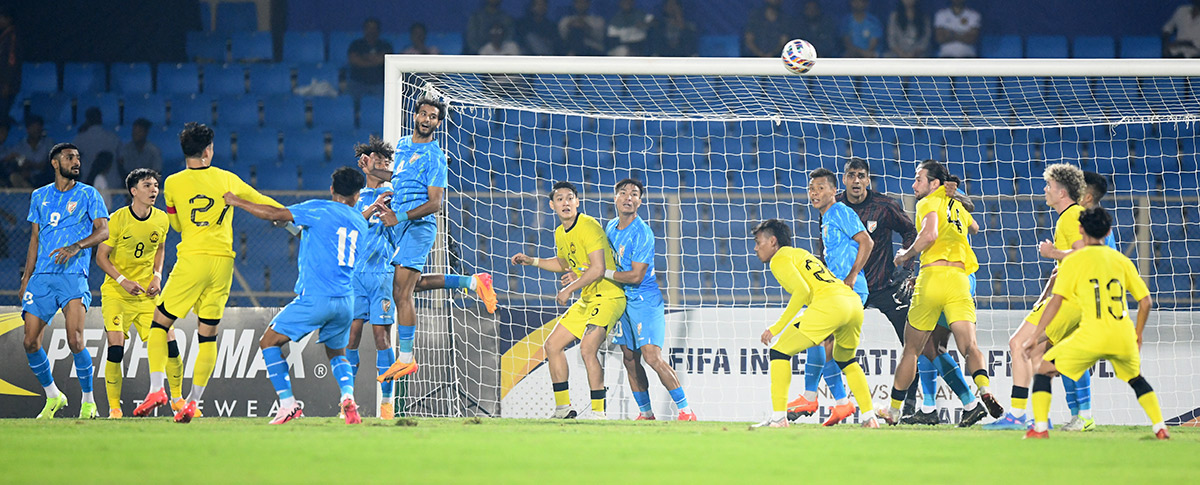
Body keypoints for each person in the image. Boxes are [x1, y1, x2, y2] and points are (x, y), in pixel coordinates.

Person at [133, 123, 283, 422]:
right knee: (208, 336)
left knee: (159, 325)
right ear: (208, 150)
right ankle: (193, 401)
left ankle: (156, 389)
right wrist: (289, 215)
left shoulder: (173, 184)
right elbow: (260, 200)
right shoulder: (226, 178)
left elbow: (175, 226)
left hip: (192, 260)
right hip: (222, 263)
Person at [347, 136, 495, 419]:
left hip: (383, 270)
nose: (383, 165)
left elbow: (414, 185)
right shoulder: (356, 196)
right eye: (377, 162)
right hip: (358, 274)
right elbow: (351, 225)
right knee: (353, 335)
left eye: (386, 162)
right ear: (365, 165)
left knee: (382, 335)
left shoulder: (393, 192)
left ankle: (387, 404)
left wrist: (437, 163)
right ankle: (348, 401)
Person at [223, 167, 369, 425]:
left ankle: (288, 404)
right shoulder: (360, 221)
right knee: (337, 353)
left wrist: (237, 201)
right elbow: (321, 238)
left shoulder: (319, 209)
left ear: (332, 189)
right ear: (358, 195)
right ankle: (348, 396)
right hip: (346, 301)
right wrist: (291, 227)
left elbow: (273, 213)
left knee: (268, 342)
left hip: (316, 298)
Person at [835, 158, 978, 420]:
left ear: (868, 180)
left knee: (924, 348)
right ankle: (833, 401)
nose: (856, 180)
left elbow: (912, 232)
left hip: (885, 284)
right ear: (844, 179)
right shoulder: (835, 206)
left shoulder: (885, 205)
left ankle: (935, 405)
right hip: (850, 286)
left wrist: (906, 270)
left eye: (862, 175)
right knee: (827, 338)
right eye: (851, 175)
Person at [372, 97, 499, 384]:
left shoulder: (436, 157)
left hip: (418, 227)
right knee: (412, 286)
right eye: (424, 114)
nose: (427, 119)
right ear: (415, 115)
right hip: (401, 227)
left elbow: (435, 204)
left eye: (433, 117)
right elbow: (400, 176)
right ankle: (474, 282)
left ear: (438, 123)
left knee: (400, 293)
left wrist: (399, 217)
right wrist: (373, 172)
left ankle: (406, 359)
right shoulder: (403, 145)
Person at [1026, 207, 1168, 440]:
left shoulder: (1075, 260)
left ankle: (1040, 429)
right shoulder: (1121, 260)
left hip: (1091, 334)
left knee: (1044, 368)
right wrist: (1138, 334)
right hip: (1122, 334)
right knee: (1136, 378)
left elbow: (1056, 302)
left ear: (1081, 230)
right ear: (1109, 231)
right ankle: (1160, 427)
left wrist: (1036, 335)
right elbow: (1146, 302)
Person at [883, 160, 998, 427]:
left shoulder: (927, 203)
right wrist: (955, 197)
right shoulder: (955, 204)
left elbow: (930, 234)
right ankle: (981, 393)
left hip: (933, 278)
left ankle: (895, 410)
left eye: (919, 180)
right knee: (966, 347)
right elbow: (975, 228)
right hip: (960, 280)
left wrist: (905, 255)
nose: (914, 185)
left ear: (934, 183)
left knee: (913, 349)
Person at [568, 178, 695, 421]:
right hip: (619, 300)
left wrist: (601, 273)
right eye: (623, 193)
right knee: (629, 358)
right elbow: (599, 261)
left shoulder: (643, 232)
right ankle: (646, 414)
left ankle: (686, 411)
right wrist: (582, 271)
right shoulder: (610, 227)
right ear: (615, 198)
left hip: (644, 299)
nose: (629, 197)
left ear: (640, 201)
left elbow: (636, 276)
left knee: (651, 356)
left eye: (634, 194)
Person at [511, 181, 626, 419]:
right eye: (560, 199)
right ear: (552, 205)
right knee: (552, 346)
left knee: (587, 349)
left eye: (570, 197)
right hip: (588, 299)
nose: (566, 202)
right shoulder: (559, 232)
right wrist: (531, 261)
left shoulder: (589, 225)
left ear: (577, 202)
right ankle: (563, 408)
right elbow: (564, 262)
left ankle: (598, 413)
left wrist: (569, 289)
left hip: (608, 296)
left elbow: (597, 268)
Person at [750, 219, 878, 429]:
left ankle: (778, 418)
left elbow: (803, 291)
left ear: (773, 241)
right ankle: (869, 417)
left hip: (829, 304)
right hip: (851, 302)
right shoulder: (799, 253)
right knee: (846, 360)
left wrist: (776, 328)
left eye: (758, 242)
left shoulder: (779, 259)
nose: (756, 248)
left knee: (779, 352)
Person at [985, 164, 1086, 431]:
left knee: (1018, 343)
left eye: (1049, 186)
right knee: (1035, 353)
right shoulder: (1069, 216)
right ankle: (1040, 417)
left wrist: (1053, 253)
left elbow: (1085, 254)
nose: (1045, 190)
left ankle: (1017, 416)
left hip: (1070, 300)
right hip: (1070, 298)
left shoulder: (1071, 215)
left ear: (1062, 191)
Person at [19, 142, 110, 419]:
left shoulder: (89, 194)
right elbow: (35, 239)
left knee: (76, 339)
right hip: (42, 278)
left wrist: (76, 247)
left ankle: (88, 402)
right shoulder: (39, 196)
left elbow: (103, 231)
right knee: (30, 342)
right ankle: (53, 396)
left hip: (73, 276)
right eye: (69, 157)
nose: (76, 162)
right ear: (55, 163)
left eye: (78, 158)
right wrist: (26, 277)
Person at [784, 168, 870, 426]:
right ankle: (842, 404)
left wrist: (853, 275)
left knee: (815, 335)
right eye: (812, 189)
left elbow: (867, 242)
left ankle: (810, 397)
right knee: (827, 349)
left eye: (821, 188)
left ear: (834, 190)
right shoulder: (827, 217)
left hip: (849, 289)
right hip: (836, 290)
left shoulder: (841, 211)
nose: (815, 193)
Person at [96, 169, 180, 418]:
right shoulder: (118, 219)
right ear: (134, 191)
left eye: (155, 185)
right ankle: (114, 408)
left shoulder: (162, 219)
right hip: (116, 293)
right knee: (116, 347)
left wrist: (157, 275)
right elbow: (101, 257)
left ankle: (177, 400)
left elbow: (161, 248)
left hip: (147, 295)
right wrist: (122, 281)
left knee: (171, 344)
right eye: (147, 185)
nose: (154, 190)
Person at [74, 107, 122, 202]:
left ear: (87, 120)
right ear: (101, 119)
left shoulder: (80, 139)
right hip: (114, 187)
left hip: (89, 187)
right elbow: (121, 160)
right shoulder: (113, 138)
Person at [347, 18, 393, 99]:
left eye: (374, 28)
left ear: (378, 30)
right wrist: (375, 60)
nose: (371, 31)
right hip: (358, 82)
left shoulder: (385, 45)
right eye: (369, 28)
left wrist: (364, 58)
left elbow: (384, 59)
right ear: (364, 30)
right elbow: (354, 60)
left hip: (379, 84)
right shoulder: (356, 45)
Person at [0, 7, 18, 121]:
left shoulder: (12, 36)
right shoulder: (4, 36)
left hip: (6, 85)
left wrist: (7, 84)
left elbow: (11, 62)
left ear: (8, 19)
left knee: (3, 115)